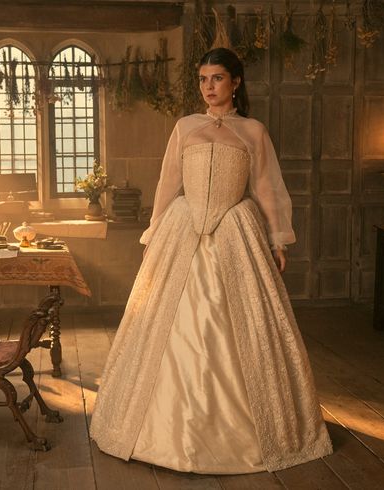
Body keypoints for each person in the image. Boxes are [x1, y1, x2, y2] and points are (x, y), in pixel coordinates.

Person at [90, 47, 332, 474]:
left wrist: (278, 239)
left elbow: (267, 187)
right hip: (183, 228)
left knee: (240, 323)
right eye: (203, 79)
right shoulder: (185, 128)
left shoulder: (253, 131)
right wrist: (154, 232)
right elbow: (168, 184)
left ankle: (256, 431)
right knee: (167, 324)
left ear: (235, 82)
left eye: (217, 78)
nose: (209, 87)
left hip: (235, 231)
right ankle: (153, 429)